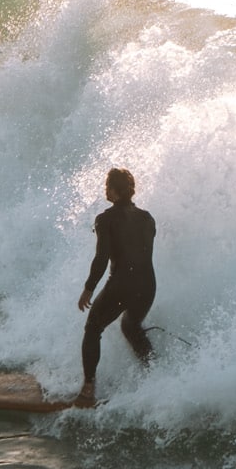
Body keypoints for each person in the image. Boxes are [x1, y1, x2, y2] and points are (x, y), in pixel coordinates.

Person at [74, 166, 156, 408]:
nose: (104, 190)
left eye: (106, 185)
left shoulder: (105, 219)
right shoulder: (147, 217)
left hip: (122, 284)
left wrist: (89, 288)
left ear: (114, 190)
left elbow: (102, 258)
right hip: (148, 285)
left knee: (92, 328)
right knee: (131, 326)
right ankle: (156, 377)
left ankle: (88, 390)